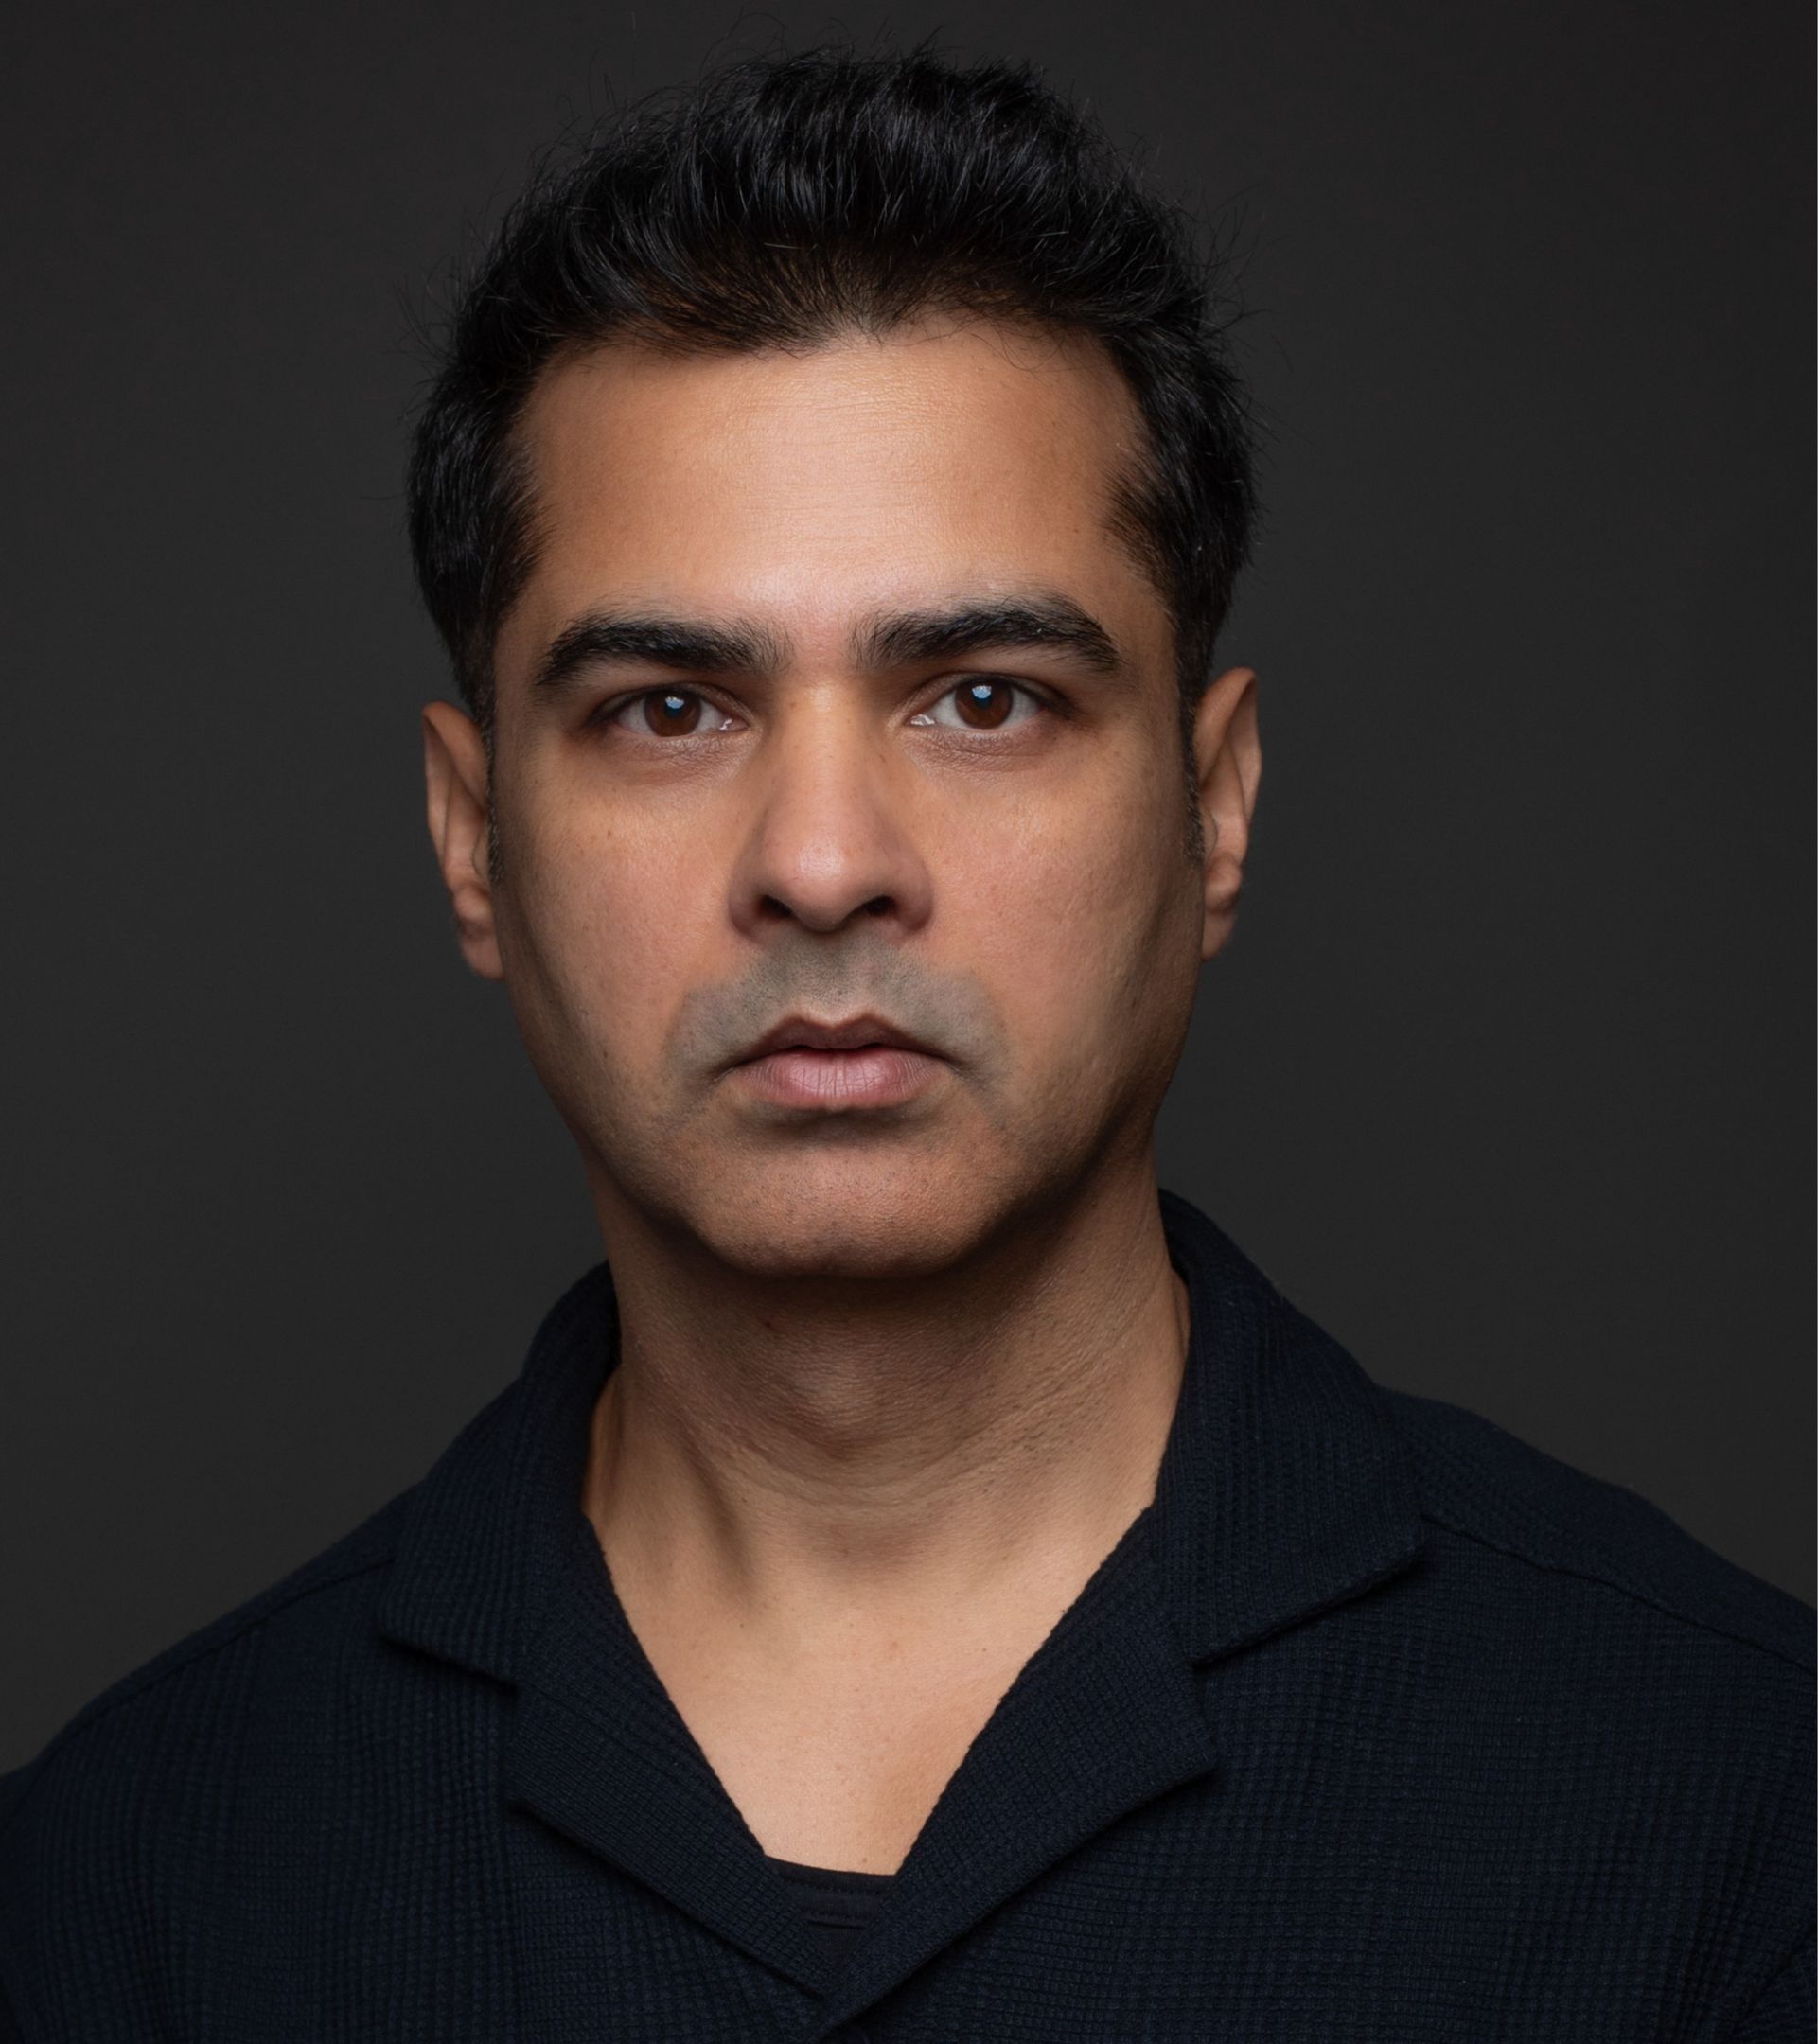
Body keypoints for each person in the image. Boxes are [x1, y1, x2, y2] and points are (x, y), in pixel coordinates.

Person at [0, 44, 1809, 2042]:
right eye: (669, 710)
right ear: (470, 838)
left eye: (984, 698)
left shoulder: (1733, 1818)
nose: (823, 862)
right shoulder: (117, 1895)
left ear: (1212, 808)